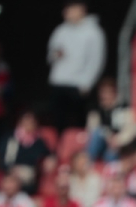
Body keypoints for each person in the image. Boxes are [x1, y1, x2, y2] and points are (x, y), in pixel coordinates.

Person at [47, 0, 105, 131]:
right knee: (58, 120)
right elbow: (51, 54)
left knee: (80, 121)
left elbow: (96, 61)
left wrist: (87, 83)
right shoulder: (60, 30)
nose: (67, 13)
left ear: (82, 9)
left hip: (79, 84)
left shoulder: (93, 32)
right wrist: (56, 55)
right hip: (59, 82)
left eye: (71, 9)